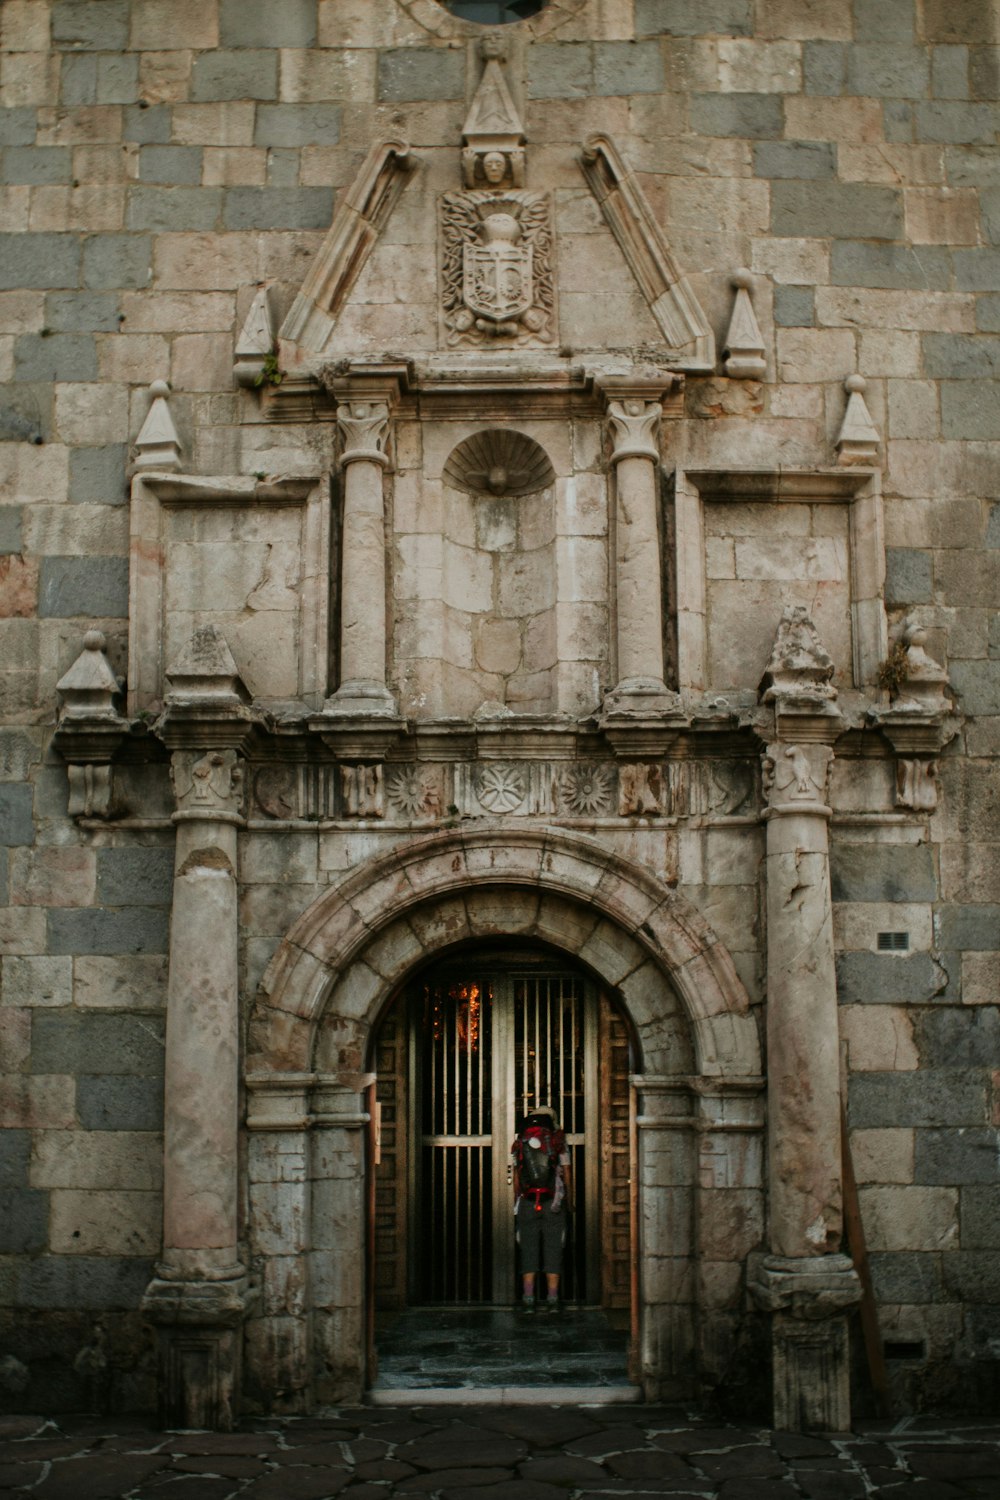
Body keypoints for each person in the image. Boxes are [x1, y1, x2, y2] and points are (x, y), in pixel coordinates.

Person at [511, 1105, 572, 1315]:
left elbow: (517, 1177)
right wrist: (570, 1201)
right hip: (552, 1201)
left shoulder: (520, 1142)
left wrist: (518, 1200)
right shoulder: (558, 1140)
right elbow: (566, 1171)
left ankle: (528, 1300)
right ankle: (552, 1299)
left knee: (528, 1248)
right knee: (553, 1248)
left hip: (528, 1201)